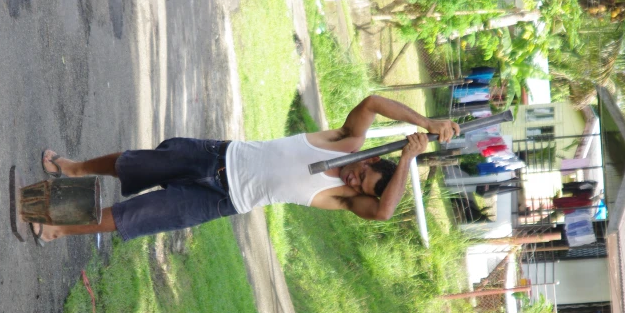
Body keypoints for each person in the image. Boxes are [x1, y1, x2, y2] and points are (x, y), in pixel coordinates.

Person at [30, 95, 460, 245]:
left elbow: (384, 212)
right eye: (361, 174)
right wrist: (425, 123)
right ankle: (73, 168)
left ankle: (60, 228)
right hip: (216, 156)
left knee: (138, 217)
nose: (354, 181)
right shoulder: (346, 143)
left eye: (361, 187)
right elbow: (371, 103)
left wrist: (409, 158)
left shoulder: (345, 199)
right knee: (134, 163)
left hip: (220, 200)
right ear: (367, 160)